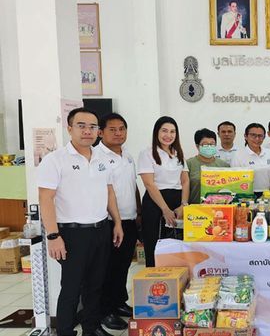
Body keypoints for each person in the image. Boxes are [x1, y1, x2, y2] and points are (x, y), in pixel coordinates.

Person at [38, 107, 124, 336]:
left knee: (96, 286)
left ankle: (91, 328)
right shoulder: (55, 160)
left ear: (98, 131)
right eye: (81, 126)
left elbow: (109, 192)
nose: (88, 131)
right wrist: (53, 236)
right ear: (69, 129)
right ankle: (65, 332)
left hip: (101, 229)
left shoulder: (102, 158)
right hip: (71, 234)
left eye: (93, 127)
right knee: (71, 289)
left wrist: (116, 222)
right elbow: (46, 198)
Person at [97, 113, 140, 330]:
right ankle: (105, 312)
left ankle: (118, 302)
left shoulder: (128, 155)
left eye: (122, 128)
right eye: (112, 129)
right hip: (111, 222)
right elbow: (105, 192)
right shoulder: (97, 157)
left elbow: (132, 187)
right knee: (108, 268)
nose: (118, 133)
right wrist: (116, 222)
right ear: (101, 132)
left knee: (123, 265)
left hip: (130, 219)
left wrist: (138, 212)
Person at [138, 116, 189, 267]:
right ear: (157, 132)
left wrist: (183, 204)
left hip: (177, 200)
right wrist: (165, 209)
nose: (169, 135)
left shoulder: (178, 153)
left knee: (177, 243)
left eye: (173, 132)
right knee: (155, 244)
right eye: (164, 131)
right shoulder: (147, 153)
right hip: (156, 202)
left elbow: (185, 181)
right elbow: (149, 183)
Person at [187, 128, 229, 204]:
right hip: (195, 208)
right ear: (197, 146)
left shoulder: (224, 165)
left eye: (212, 144)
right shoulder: (189, 164)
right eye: (205, 144)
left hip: (219, 208)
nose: (209, 146)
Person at [230, 123, 270, 196]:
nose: (257, 139)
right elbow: (234, 178)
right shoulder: (238, 155)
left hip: (267, 194)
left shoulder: (269, 153)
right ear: (246, 136)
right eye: (253, 135)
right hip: (247, 194)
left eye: (260, 136)